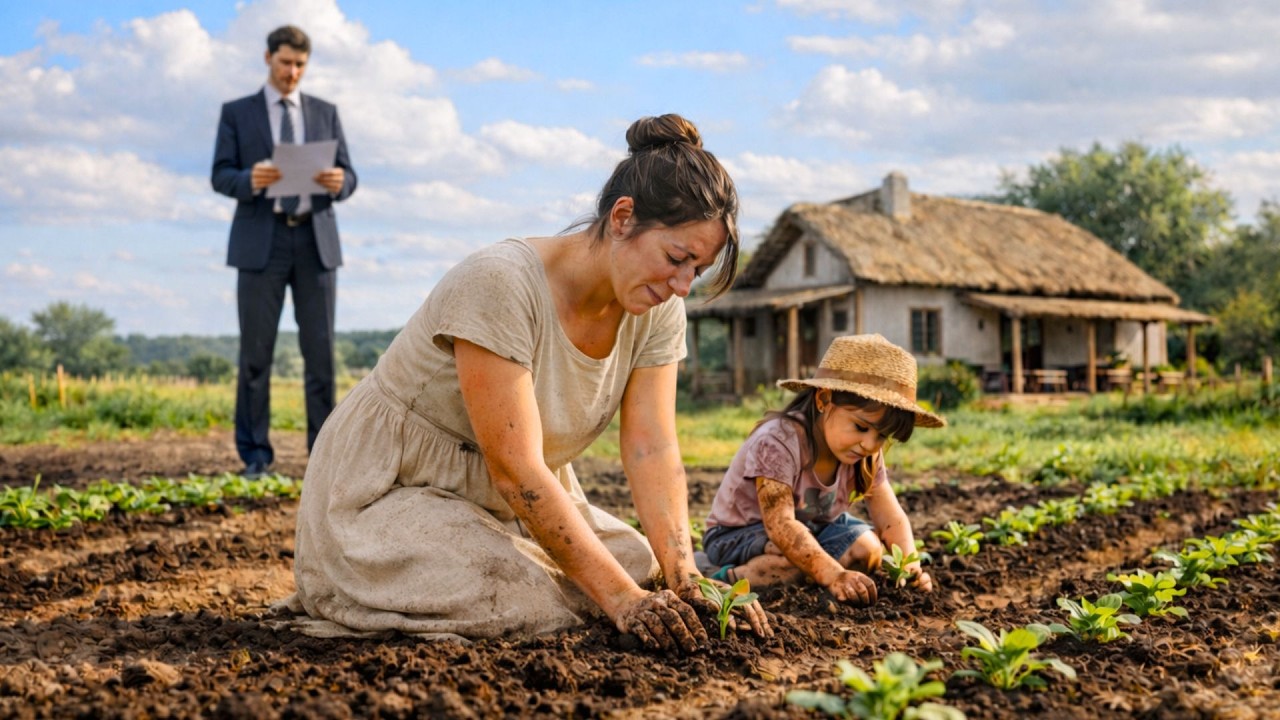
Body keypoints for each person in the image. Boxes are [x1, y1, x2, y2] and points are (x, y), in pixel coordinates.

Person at [284, 114, 771, 651]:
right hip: (392, 488)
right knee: (524, 598)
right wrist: (624, 603)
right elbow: (515, 469)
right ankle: (351, 584)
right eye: (676, 258)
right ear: (623, 218)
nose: (681, 286)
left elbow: (651, 446)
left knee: (642, 565)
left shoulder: (657, 308)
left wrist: (685, 577)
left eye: (695, 272)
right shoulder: (500, 281)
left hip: (500, 504)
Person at [698, 334, 945, 606]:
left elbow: (891, 517)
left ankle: (813, 572)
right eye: (861, 427)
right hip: (739, 534)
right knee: (790, 564)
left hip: (810, 529)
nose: (869, 444)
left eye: (882, 437)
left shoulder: (865, 452)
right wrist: (833, 574)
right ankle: (720, 578)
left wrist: (910, 567)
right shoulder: (778, 441)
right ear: (823, 399)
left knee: (868, 548)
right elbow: (781, 525)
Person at [211, 25, 358, 478]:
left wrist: (339, 182)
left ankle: (323, 459)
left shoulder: (325, 112)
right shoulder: (237, 113)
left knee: (321, 355)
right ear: (268, 58)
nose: (292, 72)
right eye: (285, 63)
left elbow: (350, 177)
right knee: (256, 356)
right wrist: (249, 181)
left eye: (300, 65)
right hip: (262, 242)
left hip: (315, 242)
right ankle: (255, 457)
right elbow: (220, 175)